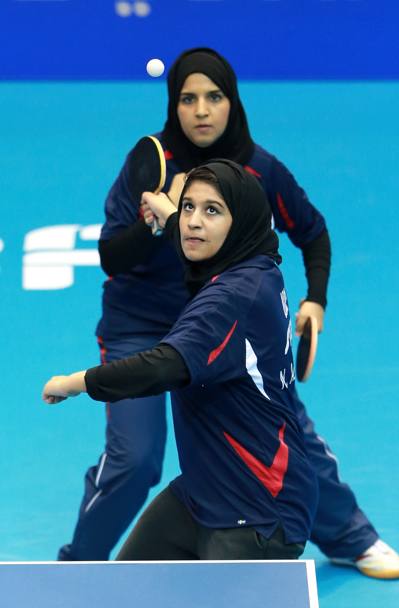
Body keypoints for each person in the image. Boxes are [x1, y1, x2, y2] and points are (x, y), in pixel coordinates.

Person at [57, 47, 399, 577]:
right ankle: (78, 568)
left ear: (232, 102)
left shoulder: (259, 171)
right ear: (173, 105)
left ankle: (352, 537)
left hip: (226, 327)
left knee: (286, 435)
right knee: (135, 458)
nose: (201, 111)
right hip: (143, 324)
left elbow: (311, 233)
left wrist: (315, 300)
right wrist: (157, 221)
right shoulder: (150, 162)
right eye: (188, 99)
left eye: (214, 97)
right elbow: (110, 256)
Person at [43, 160, 318, 560]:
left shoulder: (231, 299)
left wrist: (75, 383)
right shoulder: (257, 265)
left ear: (240, 221)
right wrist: (171, 215)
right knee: (127, 585)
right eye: (189, 206)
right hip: (203, 492)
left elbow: (163, 366)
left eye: (212, 211)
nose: (194, 222)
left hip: (260, 511)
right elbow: (193, 234)